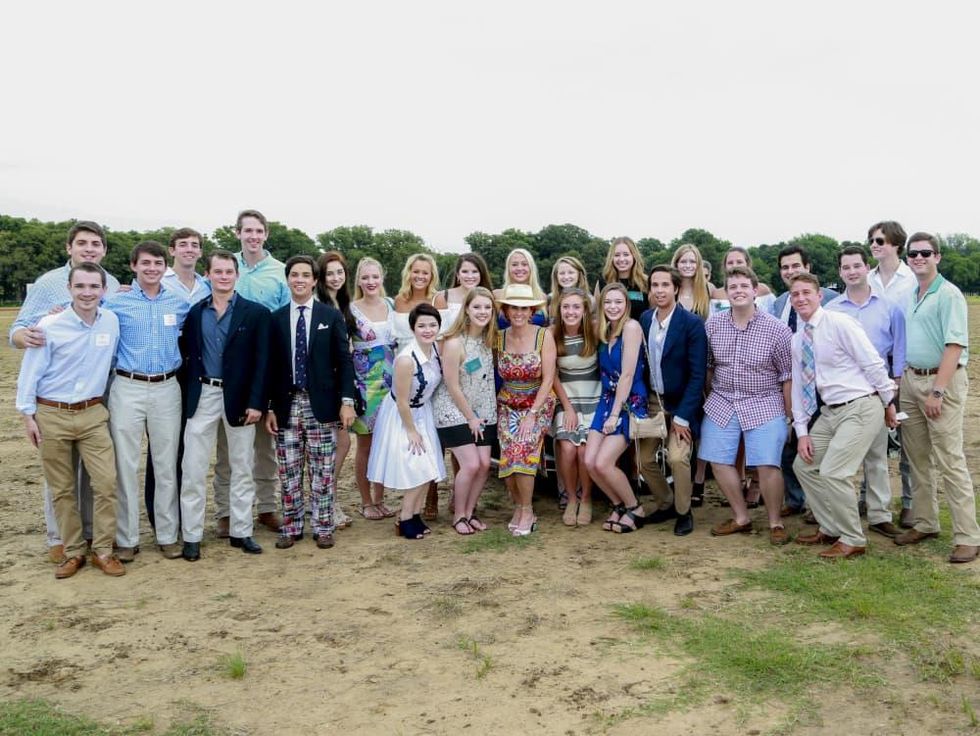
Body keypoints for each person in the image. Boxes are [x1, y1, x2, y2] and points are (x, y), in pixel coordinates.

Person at [10, 220, 121, 562]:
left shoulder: (113, 290)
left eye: (96, 244)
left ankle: (95, 540)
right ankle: (62, 541)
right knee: (61, 484)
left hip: (92, 405)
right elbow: (21, 333)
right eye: (82, 242)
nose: (89, 248)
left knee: (100, 480)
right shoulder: (47, 290)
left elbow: (112, 328)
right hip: (53, 406)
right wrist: (28, 412)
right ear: (69, 248)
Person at [790, 273, 897, 559]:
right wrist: (802, 433)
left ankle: (853, 538)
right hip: (829, 411)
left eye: (806, 293)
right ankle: (831, 526)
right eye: (795, 294)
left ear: (819, 295)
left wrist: (889, 402)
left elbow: (872, 363)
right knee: (804, 466)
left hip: (860, 405)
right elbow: (799, 388)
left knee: (835, 471)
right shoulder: (798, 339)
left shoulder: (840, 323)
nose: (800, 298)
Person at [894, 233, 980, 564]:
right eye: (913, 254)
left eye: (925, 253)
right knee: (916, 457)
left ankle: (968, 537)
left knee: (949, 459)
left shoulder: (948, 294)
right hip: (911, 379)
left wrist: (938, 391)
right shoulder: (911, 294)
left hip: (939, 382)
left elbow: (954, 345)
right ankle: (926, 522)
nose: (918, 258)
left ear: (938, 257)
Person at [178, 250, 270, 560]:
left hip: (240, 398)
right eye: (217, 271)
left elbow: (262, 363)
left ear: (237, 274)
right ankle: (192, 535)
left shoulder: (255, 313)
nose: (224, 276)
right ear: (208, 275)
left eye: (229, 271)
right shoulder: (195, 313)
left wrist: (257, 402)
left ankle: (241, 531)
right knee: (193, 467)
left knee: (241, 466)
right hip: (203, 394)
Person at [103, 241, 190, 561]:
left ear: (164, 266)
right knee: (125, 465)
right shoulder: (115, 304)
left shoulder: (179, 303)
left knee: (166, 465)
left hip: (167, 388)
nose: (151, 268)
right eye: (145, 263)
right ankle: (126, 538)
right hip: (128, 387)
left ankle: (167, 535)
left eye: (157, 263)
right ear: (133, 266)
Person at [267, 255, 357, 551]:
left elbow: (344, 362)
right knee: (289, 470)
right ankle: (291, 527)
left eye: (306, 275)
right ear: (288, 279)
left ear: (314, 281)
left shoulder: (329, 317)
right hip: (286, 404)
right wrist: (269, 406)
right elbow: (270, 365)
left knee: (322, 468)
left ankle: (323, 525)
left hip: (321, 404)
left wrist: (346, 401)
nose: (300, 280)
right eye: (295, 275)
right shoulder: (277, 318)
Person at [701, 266, 793, 545]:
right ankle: (741, 517)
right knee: (717, 459)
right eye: (733, 287)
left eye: (744, 286)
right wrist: (709, 396)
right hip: (723, 399)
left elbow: (787, 376)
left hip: (764, 400)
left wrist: (789, 417)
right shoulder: (713, 325)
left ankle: (776, 522)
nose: (738, 291)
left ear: (755, 291)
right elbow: (708, 366)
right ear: (726, 293)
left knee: (767, 464)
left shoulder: (777, 329)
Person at [213, 210, 288, 538]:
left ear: (266, 234)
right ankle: (226, 512)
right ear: (237, 232)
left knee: (264, 447)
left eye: (259, 231)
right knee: (227, 449)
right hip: (232, 371)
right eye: (247, 230)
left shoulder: (280, 272)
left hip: (267, 365)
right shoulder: (228, 267)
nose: (253, 236)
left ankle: (267, 508)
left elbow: (286, 320)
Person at [826, 246, 906, 537]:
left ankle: (880, 515)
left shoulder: (889, 306)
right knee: (842, 457)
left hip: (878, 392)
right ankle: (839, 517)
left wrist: (892, 396)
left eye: (856, 266)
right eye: (845, 268)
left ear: (866, 266)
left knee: (877, 457)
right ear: (839, 272)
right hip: (844, 394)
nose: (851, 272)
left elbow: (898, 352)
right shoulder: (831, 310)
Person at [145, 227, 212, 530]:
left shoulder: (207, 286)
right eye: (182, 244)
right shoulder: (160, 281)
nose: (189, 249)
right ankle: (159, 516)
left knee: (189, 445)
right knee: (162, 447)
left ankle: (186, 515)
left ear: (200, 252)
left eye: (194, 245)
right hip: (168, 368)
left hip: (197, 370)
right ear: (171, 250)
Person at [768, 244, 839, 518]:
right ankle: (795, 499)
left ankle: (818, 505)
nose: (790, 271)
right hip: (791, 382)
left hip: (824, 384)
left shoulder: (830, 298)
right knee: (790, 443)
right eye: (785, 267)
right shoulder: (779, 302)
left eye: (795, 266)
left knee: (817, 448)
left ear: (807, 268)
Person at [638, 266, 708, 536]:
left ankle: (683, 511)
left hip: (682, 404)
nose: (659, 290)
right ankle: (666, 502)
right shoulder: (645, 319)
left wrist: (683, 416)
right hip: (654, 401)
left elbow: (698, 374)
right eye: (654, 285)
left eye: (665, 285)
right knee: (643, 459)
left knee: (678, 458)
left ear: (676, 288)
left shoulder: (692, 324)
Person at [367, 304, 446, 540]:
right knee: (419, 468)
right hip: (403, 416)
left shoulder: (435, 351)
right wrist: (411, 430)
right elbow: (401, 400)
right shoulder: (405, 360)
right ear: (413, 328)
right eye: (422, 325)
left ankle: (413, 514)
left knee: (430, 468)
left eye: (432, 325)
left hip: (424, 411)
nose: (428, 330)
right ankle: (404, 518)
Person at [431, 287, 498, 534]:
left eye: (487, 308)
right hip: (454, 410)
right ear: (466, 310)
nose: (482, 312)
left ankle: (470, 513)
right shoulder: (454, 341)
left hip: (484, 408)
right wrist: (470, 417)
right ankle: (458, 515)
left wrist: (480, 416)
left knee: (483, 465)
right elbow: (451, 384)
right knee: (470, 465)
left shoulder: (488, 340)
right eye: (477, 307)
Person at [584, 283, 648, 533]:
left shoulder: (631, 328)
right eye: (608, 302)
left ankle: (635, 508)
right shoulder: (604, 330)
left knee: (604, 463)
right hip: (606, 399)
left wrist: (614, 415)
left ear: (627, 304)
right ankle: (619, 505)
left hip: (628, 401)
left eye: (618, 302)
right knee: (590, 462)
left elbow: (628, 374)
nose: (612, 307)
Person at [496, 283, 556, 537]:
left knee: (522, 450)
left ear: (531, 310)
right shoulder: (498, 337)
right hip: (507, 403)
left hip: (538, 402)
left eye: (524, 308)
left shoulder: (544, 335)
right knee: (507, 459)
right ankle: (519, 506)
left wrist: (532, 413)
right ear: (506, 310)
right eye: (513, 308)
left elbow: (549, 377)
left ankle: (527, 510)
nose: (519, 313)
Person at [867, 220, 916, 527]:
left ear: (896, 244)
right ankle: (869, 498)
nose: (874, 245)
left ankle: (910, 502)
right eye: (872, 240)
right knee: (871, 436)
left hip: (906, 366)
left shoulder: (911, 278)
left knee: (907, 437)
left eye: (880, 240)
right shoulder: (866, 278)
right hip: (874, 367)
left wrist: (900, 374)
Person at [347, 258, 398, 521]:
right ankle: (366, 502)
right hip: (365, 383)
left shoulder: (392, 305)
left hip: (392, 381)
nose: (370, 282)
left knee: (385, 443)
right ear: (358, 280)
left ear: (382, 278)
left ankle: (380, 498)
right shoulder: (351, 309)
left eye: (375, 277)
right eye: (365, 277)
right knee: (365, 445)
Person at [550, 288, 600, 526]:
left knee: (583, 451)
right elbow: (552, 376)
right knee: (568, 449)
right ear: (559, 310)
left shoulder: (594, 332)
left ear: (584, 310)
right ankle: (571, 497)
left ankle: (587, 498)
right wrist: (567, 408)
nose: (570, 312)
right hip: (565, 398)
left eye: (576, 307)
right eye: (566, 307)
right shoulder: (552, 334)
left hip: (593, 397)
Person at [315, 250, 354, 530]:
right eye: (330, 273)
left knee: (341, 443)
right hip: (324, 385)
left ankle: (327, 498)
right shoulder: (318, 304)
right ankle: (327, 501)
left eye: (340, 272)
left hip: (341, 381)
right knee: (337, 444)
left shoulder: (342, 303)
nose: (336, 277)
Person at [434, 253, 493, 332]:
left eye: (474, 271)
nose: (470, 276)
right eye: (465, 271)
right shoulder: (443, 297)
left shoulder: (489, 297)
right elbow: (439, 332)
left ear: (481, 274)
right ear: (458, 275)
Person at [594, 237, 648, 321]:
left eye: (626, 254)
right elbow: (597, 314)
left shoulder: (646, 282)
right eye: (617, 255)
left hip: (639, 332)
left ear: (634, 256)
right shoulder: (603, 282)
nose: (621, 259)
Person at [494, 249, 549, 328]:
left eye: (524, 264)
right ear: (508, 268)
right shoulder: (497, 296)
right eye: (514, 264)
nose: (519, 268)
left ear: (531, 268)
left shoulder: (542, 297)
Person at [710, 248, 775, 313]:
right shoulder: (716, 294)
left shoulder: (763, 290)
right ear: (725, 267)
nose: (734, 265)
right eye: (730, 263)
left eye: (739, 262)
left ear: (748, 264)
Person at [671, 244, 711, 320]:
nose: (688, 266)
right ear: (676, 264)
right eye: (683, 262)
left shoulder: (708, 289)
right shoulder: (668, 289)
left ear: (698, 265)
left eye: (692, 262)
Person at [548, 256, 590, 321]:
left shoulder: (590, 301)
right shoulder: (549, 299)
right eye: (562, 273)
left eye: (571, 272)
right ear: (556, 277)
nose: (566, 277)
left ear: (579, 275)